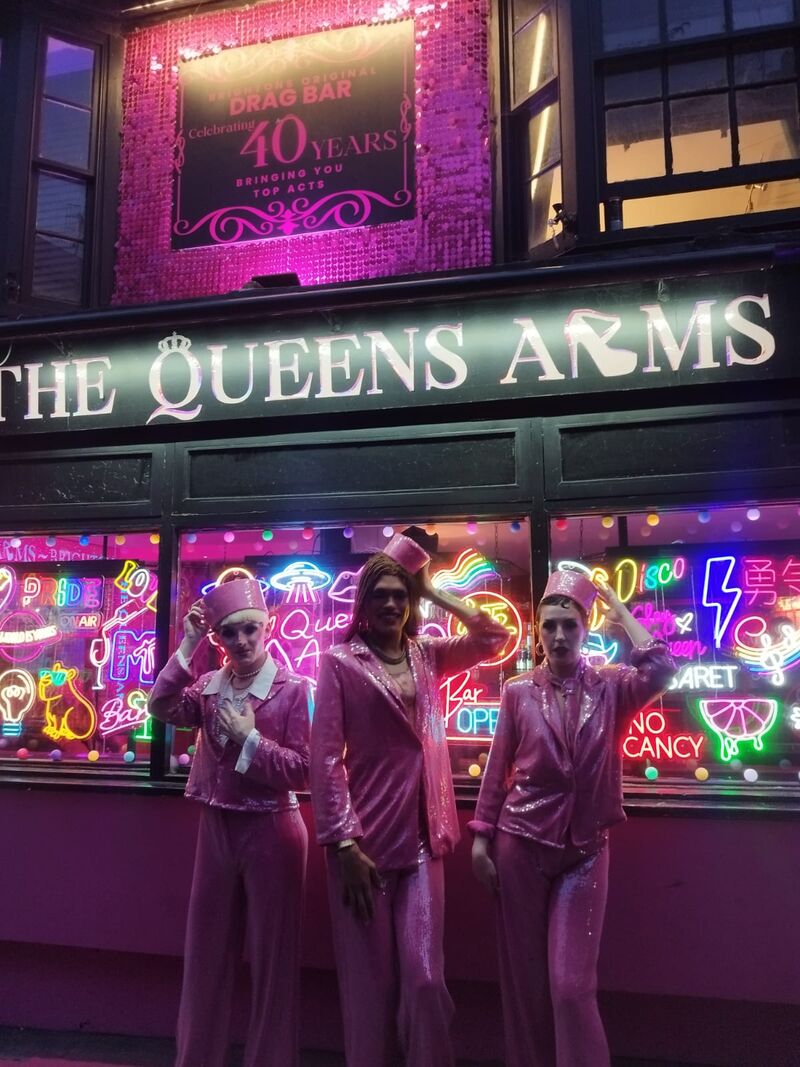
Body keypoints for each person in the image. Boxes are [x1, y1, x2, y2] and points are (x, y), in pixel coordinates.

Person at [310, 534, 510, 1067]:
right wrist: (345, 843)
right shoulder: (339, 662)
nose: (393, 604)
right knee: (368, 988)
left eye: (402, 595)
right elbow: (325, 757)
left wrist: (435, 590)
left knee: (424, 980)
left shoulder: (428, 655)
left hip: (425, 837)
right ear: (364, 604)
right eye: (382, 595)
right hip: (363, 848)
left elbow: (495, 635)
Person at [470, 568, 675, 1067]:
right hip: (520, 843)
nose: (558, 636)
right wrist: (481, 837)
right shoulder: (518, 691)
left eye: (570, 625)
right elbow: (499, 764)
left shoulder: (612, 688)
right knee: (527, 985)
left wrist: (620, 610)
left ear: (585, 630)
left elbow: (665, 668)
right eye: (549, 626)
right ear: (537, 632)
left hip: (585, 849)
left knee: (570, 986)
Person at [148, 576, 311, 1067]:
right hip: (217, 827)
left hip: (274, 830)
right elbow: (159, 706)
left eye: (249, 630)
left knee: (273, 963)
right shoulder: (208, 688)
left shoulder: (295, 689)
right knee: (205, 957)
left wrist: (251, 741)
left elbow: (306, 771)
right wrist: (190, 642)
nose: (240, 641)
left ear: (268, 627)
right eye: (228, 633)